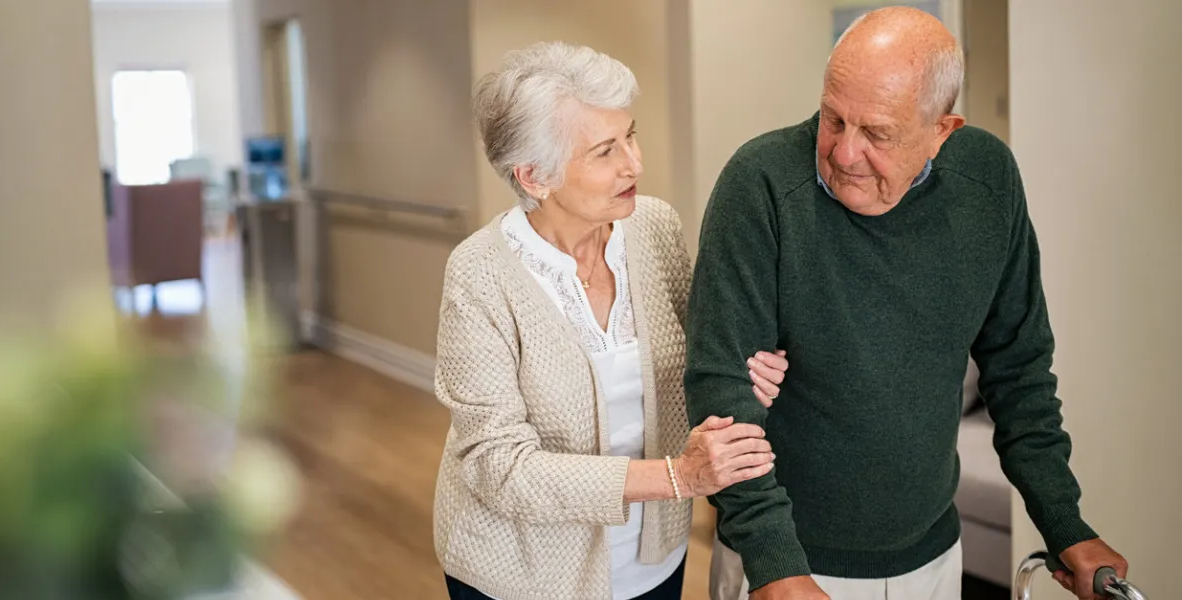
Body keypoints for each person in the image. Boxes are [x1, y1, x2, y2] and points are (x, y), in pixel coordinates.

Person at [684, 7, 1129, 600]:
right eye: (833, 118)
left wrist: (1064, 520)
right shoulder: (760, 185)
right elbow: (722, 389)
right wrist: (774, 561)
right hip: (787, 563)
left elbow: (1019, 370)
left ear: (943, 131)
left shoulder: (987, 182)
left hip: (934, 557)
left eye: (877, 133)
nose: (844, 153)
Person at [431, 41, 787, 600]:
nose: (635, 163)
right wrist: (677, 477)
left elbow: (699, 357)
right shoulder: (479, 275)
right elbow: (497, 466)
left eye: (631, 134)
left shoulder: (654, 227)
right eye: (604, 151)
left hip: (654, 555)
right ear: (534, 176)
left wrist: (745, 369)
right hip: (523, 572)